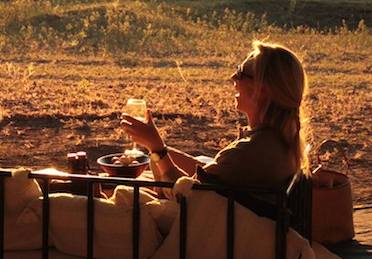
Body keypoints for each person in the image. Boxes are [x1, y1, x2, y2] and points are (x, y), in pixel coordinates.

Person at [120, 40, 310, 193]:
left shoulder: (247, 153)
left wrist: (157, 148)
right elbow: (208, 175)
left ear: (263, 90)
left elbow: (189, 199)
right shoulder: (279, 142)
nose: (233, 78)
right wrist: (158, 151)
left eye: (241, 73)